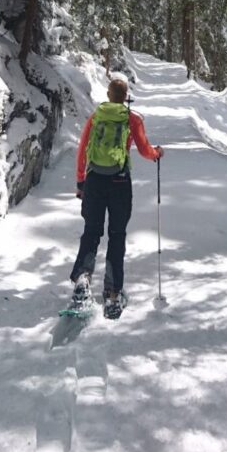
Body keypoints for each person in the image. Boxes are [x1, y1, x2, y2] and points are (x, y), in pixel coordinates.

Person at [70, 75, 164, 319]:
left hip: (94, 180)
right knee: (117, 235)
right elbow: (144, 149)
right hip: (120, 182)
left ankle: (82, 277)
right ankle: (112, 294)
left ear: (108, 96)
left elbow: (82, 149)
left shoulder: (96, 116)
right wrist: (157, 154)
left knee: (91, 231)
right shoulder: (132, 119)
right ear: (126, 99)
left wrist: (81, 181)